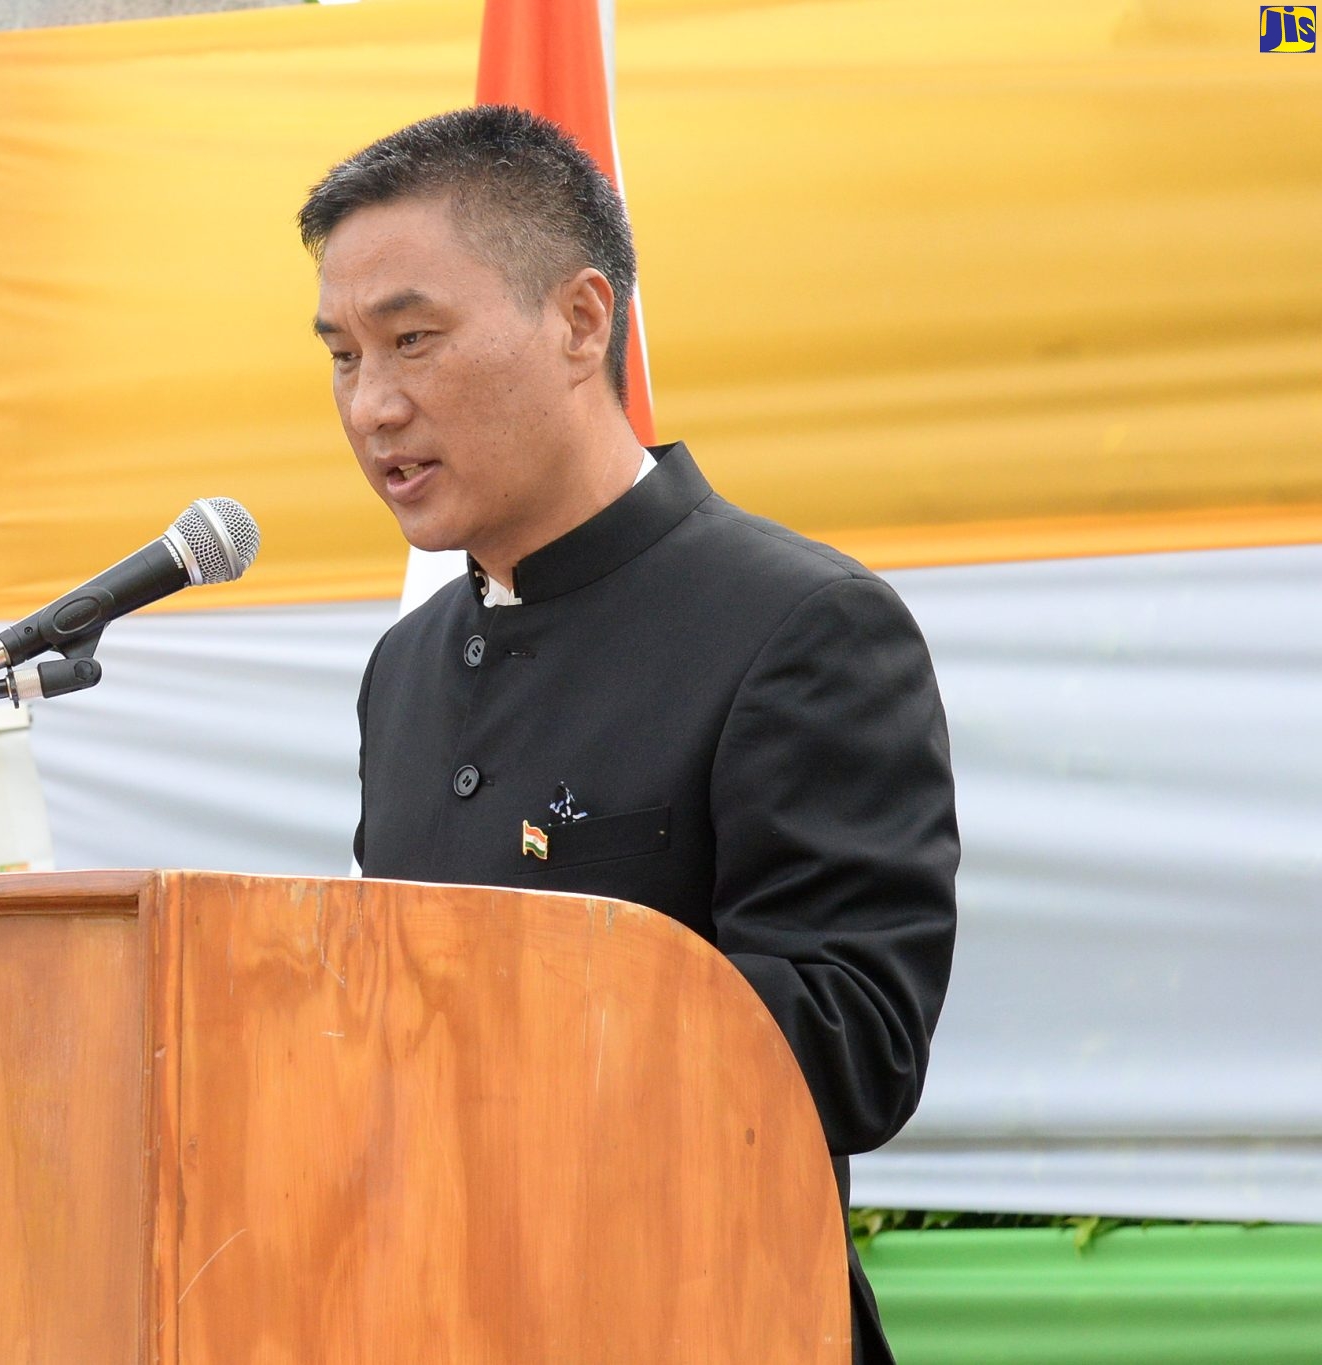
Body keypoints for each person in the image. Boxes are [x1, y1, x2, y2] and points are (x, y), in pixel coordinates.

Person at [299, 106, 958, 1365]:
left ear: (580, 320)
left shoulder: (799, 624)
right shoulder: (405, 666)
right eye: (341, 356)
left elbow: (856, 1042)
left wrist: (487, 997)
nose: (372, 406)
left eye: (414, 340)